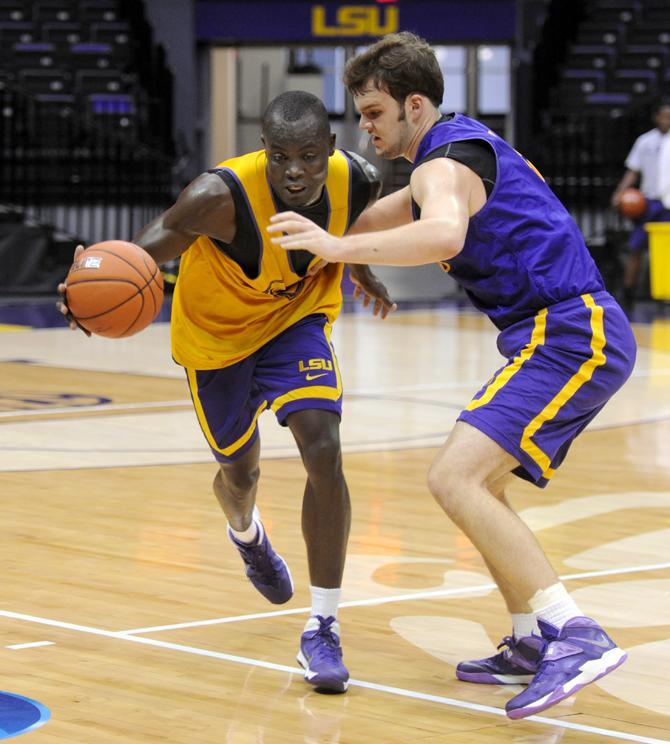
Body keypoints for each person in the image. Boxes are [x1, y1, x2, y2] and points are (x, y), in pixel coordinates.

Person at [268, 34, 636, 719]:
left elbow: (442, 236)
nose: (366, 127)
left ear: (415, 104)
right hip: (559, 331)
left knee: (454, 477)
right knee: (485, 482)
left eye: (375, 112)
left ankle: (574, 633)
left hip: (570, 330)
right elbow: (377, 217)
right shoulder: (448, 158)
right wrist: (349, 256)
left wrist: (336, 248)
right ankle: (529, 640)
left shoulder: (444, 166)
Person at [58, 90, 395, 694]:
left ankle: (322, 625)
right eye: (281, 157)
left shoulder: (359, 179)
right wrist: (89, 284)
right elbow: (143, 252)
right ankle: (247, 533)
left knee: (324, 446)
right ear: (263, 151)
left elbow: (354, 225)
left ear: (331, 150)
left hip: (296, 323)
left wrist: (362, 269)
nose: (296, 171)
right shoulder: (218, 198)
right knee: (239, 473)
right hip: (216, 342)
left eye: (310, 156)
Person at [611, 100, 670, 310]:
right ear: (656, 117)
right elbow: (633, 170)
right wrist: (620, 192)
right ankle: (628, 292)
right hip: (650, 202)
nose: (667, 120)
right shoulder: (645, 141)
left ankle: (665, 294)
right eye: (664, 115)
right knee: (636, 247)